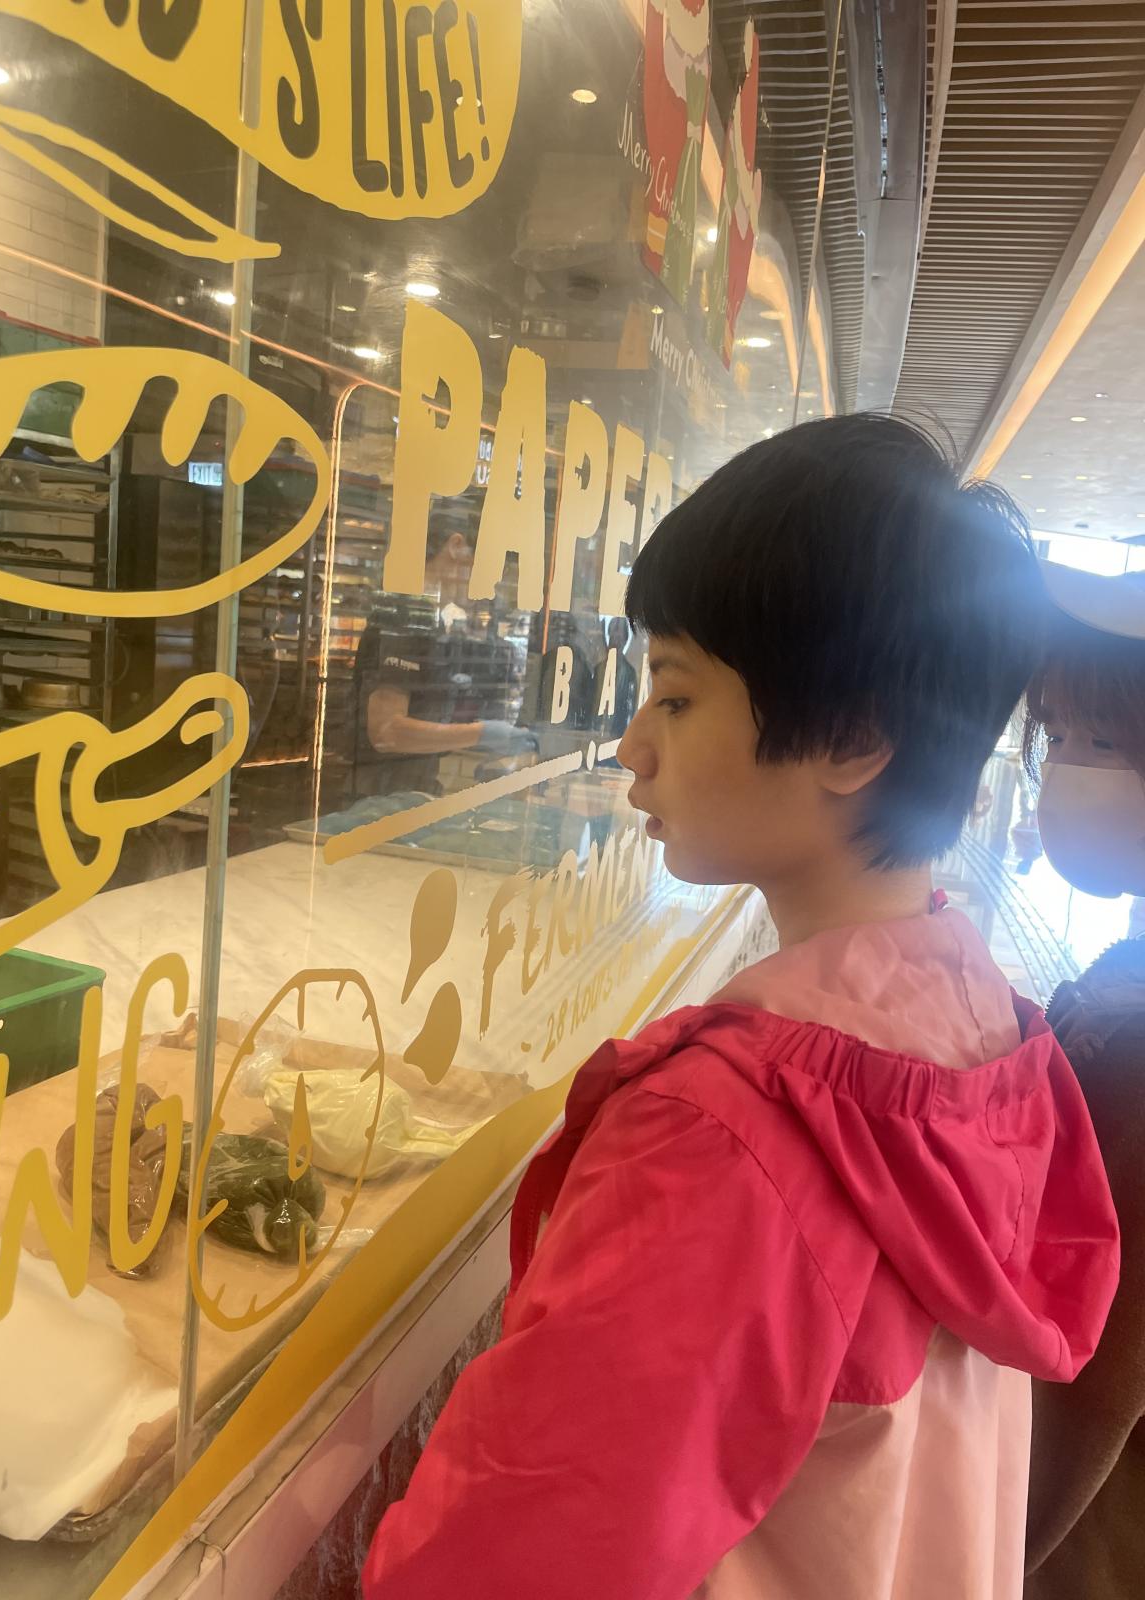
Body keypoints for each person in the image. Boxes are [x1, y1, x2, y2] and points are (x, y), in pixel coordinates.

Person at [362, 416, 1119, 1600]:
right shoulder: (988, 1043)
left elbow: (514, 1556)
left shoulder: (722, 1139)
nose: (632, 745)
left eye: (674, 695)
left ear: (853, 737)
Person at [1021, 563, 1145, 1599]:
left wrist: (973, 1562)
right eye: (1056, 733)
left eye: (1100, 740)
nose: (1063, 771)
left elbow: (1092, 1384)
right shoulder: (1126, 968)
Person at [352, 501, 535, 798]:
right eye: (488, 572)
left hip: (407, 793)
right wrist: (481, 733)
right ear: (456, 546)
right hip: (381, 798)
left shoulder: (429, 618)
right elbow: (386, 730)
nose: (489, 589)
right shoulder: (407, 613)